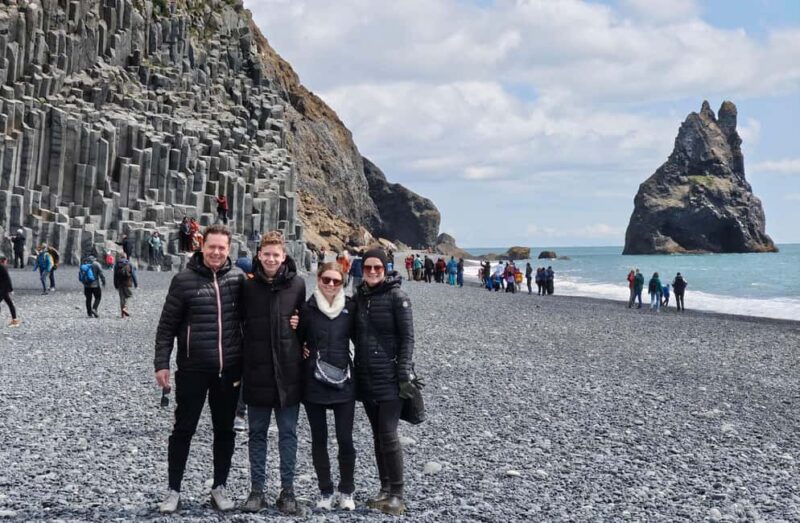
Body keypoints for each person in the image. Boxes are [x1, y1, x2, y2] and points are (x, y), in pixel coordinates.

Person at [154, 224, 245, 514]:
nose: (217, 252)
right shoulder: (183, 281)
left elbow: (256, 318)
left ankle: (219, 487)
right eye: (212, 247)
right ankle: (173, 490)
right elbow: (166, 326)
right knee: (183, 430)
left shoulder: (238, 279)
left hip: (228, 370)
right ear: (201, 246)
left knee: (225, 431)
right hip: (192, 369)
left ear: (229, 249)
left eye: (222, 247)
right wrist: (161, 364)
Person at [240, 231, 306, 515]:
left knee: (288, 434)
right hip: (256, 370)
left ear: (284, 256)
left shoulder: (298, 284)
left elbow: (305, 323)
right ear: (259, 255)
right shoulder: (247, 286)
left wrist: (300, 326)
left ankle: (287, 491)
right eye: (266, 254)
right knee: (256, 433)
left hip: (288, 372)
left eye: (276, 255)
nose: (270, 259)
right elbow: (238, 322)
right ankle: (257, 491)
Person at [353, 248, 415, 516]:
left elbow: (408, 339)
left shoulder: (397, 296)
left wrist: (402, 373)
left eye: (378, 267)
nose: (373, 271)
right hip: (366, 377)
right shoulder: (359, 297)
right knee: (378, 436)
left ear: (386, 268)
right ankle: (385, 488)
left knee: (389, 435)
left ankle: (397, 495)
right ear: (362, 270)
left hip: (391, 378)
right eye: (368, 267)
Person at [297, 262, 357, 511]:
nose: (331, 285)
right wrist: (300, 349)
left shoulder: (351, 307)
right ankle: (325, 491)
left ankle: (346, 491)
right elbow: (293, 339)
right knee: (319, 439)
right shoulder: (306, 309)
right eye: (326, 280)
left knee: (345, 440)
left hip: (344, 382)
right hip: (313, 382)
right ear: (318, 279)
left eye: (336, 281)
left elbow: (365, 338)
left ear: (342, 282)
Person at [113, 253, 138, 318]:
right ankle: (125, 308)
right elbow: (133, 275)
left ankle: (122, 314)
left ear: (120, 257)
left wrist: (115, 285)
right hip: (127, 283)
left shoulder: (117, 264)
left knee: (122, 298)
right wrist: (136, 284)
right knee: (129, 295)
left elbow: (115, 276)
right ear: (126, 257)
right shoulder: (129, 264)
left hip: (119, 284)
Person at [0, 255, 20, 327]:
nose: (6, 262)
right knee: (10, 304)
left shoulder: (2, 267)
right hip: (4, 289)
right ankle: (15, 321)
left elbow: (8, 279)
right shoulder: (3, 267)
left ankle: (15, 321)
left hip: (3, 289)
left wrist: (11, 289)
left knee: (10, 304)